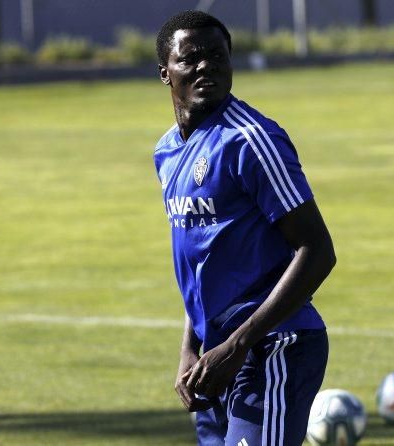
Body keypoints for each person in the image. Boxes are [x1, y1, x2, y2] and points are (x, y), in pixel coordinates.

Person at [153, 10, 336, 446]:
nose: (206, 66)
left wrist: (235, 347)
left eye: (217, 56)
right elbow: (202, 263)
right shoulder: (166, 152)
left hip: (274, 347)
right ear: (165, 73)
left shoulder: (251, 141)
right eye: (191, 58)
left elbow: (317, 249)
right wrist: (189, 348)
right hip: (216, 358)